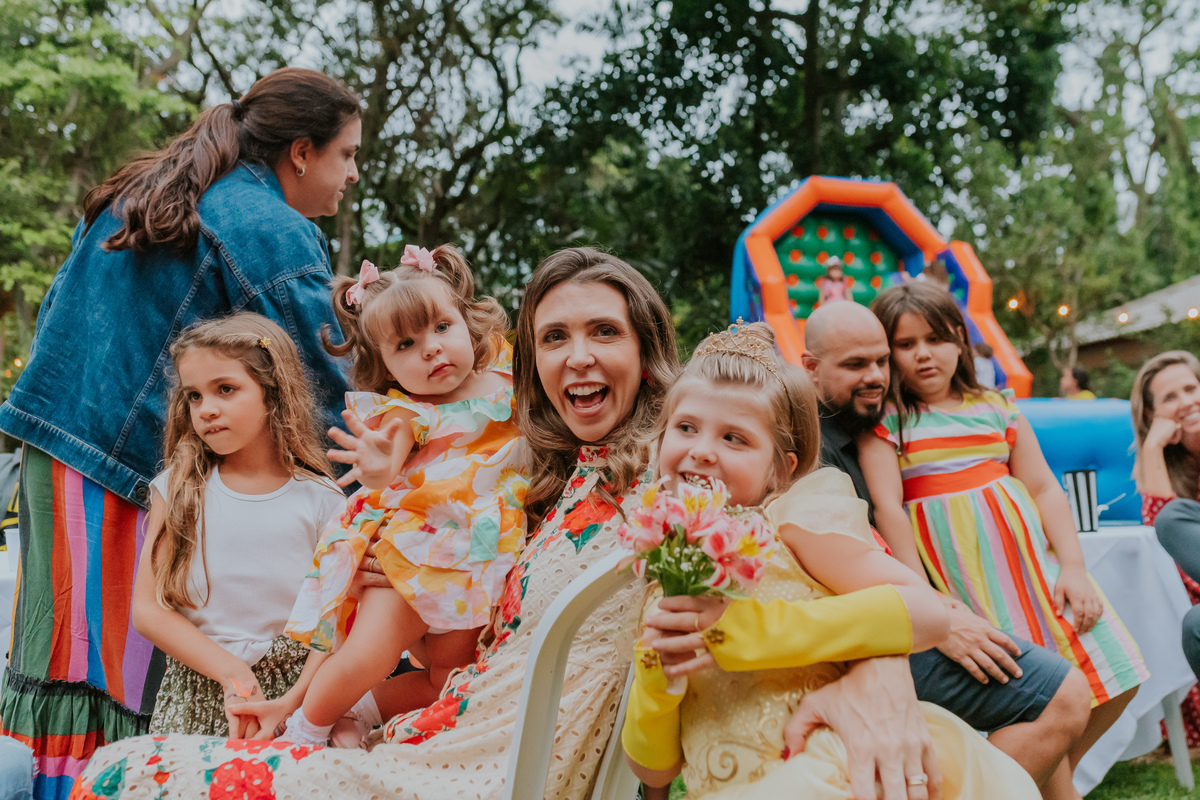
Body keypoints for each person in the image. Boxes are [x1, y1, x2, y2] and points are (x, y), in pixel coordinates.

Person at [76, 248, 967, 800]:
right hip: (439, 739)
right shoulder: (535, 483)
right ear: (530, 365)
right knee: (133, 769)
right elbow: (440, 633)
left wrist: (879, 669)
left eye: (602, 333)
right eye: (552, 338)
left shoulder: (694, 473)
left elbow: (819, 508)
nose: (577, 355)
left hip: (498, 775)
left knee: (122, 775)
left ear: (645, 346)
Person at [0, 68, 359, 798]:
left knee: (62, 668)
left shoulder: (152, 187)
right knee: (123, 682)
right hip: (118, 466)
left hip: (53, 449)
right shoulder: (271, 228)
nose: (352, 173)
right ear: (300, 151)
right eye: (347, 154)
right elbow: (324, 396)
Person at [622, 322, 1039, 799]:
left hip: (837, 771)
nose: (701, 451)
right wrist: (657, 679)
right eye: (686, 428)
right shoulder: (661, 570)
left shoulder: (787, 524)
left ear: (781, 468)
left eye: (734, 439)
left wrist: (743, 632)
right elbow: (655, 770)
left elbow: (925, 612)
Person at [860, 283, 1146, 795]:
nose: (924, 353)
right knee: (1041, 699)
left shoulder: (996, 406)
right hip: (971, 592)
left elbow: (1043, 488)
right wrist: (927, 598)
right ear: (887, 354)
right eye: (905, 344)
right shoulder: (890, 425)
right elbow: (889, 512)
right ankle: (1050, 790)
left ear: (959, 342)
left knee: (1120, 668)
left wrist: (1075, 567)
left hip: (1038, 575)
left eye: (936, 338)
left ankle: (1046, 778)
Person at [801, 300, 1093, 799]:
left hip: (907, 609)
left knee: (1063, 690)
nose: (874, 376)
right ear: (810, 368)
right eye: (855, 365)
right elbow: (836, 563)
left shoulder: (866, 426)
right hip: (871, 632)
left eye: (880, 361)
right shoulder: (812, 445)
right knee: (1062, 697)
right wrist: (933, 616)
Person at [271, 245, 527, 748]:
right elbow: (389, 458)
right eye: (406, 345)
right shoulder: (408, 411)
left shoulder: (510, 374)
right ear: (385, 367)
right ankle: (302, 735)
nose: (431, 349)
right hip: (414, 548)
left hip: (479, 556)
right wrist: (375, 464)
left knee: (450, 681)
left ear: (468, 322)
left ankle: (357, 714)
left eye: (441, 328)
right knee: (372, 653)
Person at [134, 315, 345, 738]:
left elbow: (335, 622)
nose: (207, 408)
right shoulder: (177, 488)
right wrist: (233, 674)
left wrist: (302, 702)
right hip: (195, 694)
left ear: (273, 393)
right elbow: (148, 610)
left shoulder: (323, 500)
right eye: (194, 396)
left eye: (225, 389)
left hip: (291, 702)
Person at [1131, 351, 1200, 686]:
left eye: (1191, 388)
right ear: (1151, 413)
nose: (1186, 402)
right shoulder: (1160, 468)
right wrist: (1153, 446)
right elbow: (1163, 543)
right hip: (1188, 595)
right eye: (1170, 397)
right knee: (1194, 622)